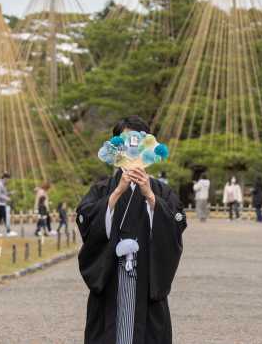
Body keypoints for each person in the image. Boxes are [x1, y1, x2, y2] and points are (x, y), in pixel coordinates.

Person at [76, 115, 186, 344]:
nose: (132, 151)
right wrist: (116, 193)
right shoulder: (102, 189)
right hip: (110, 277)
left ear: (148, 147)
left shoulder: (161, 191)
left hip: (147, 275)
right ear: (116, 148)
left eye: (138, 143)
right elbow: (85, 219)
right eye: (125, 143)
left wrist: (150, 195)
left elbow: (177, 221)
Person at [0, 172, 18, 237]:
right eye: (7, 178)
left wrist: (10, 193)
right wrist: (6, 198)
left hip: (2, 203)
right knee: (5, 217)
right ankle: (8, 231)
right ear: (4, 178)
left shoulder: (3, 185)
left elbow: (3, 193)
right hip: (0, 203)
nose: (8, 180)